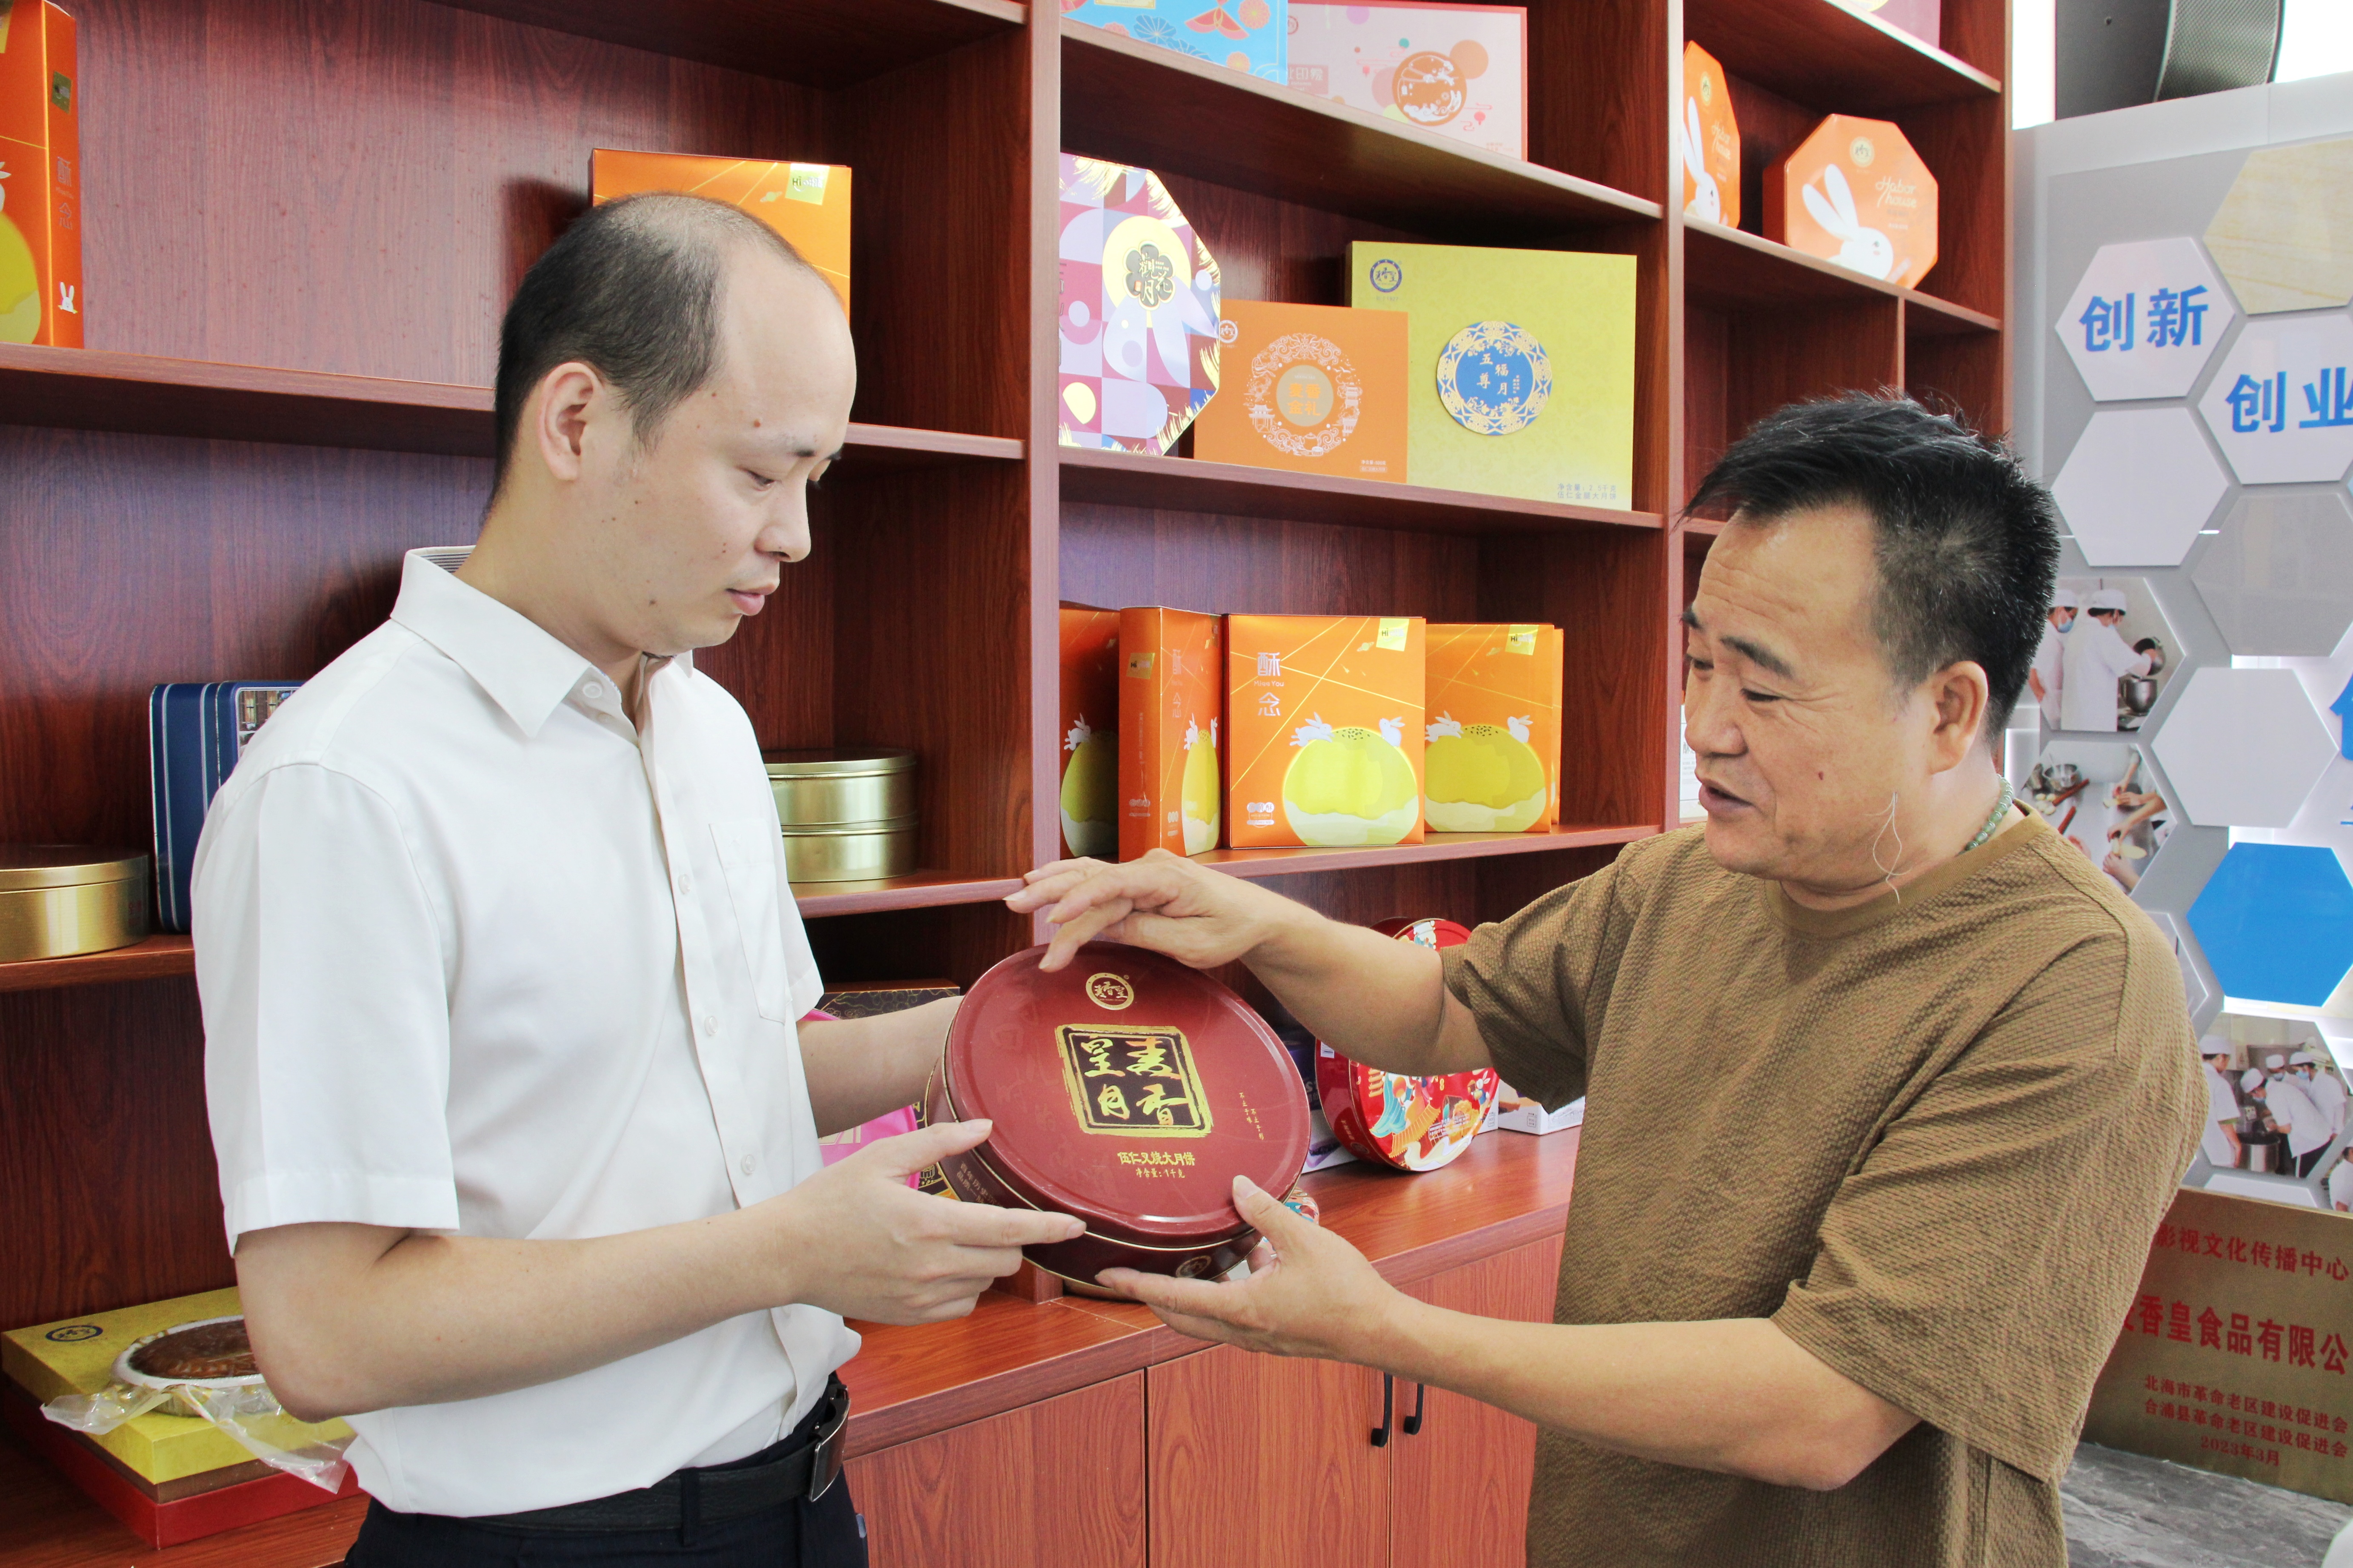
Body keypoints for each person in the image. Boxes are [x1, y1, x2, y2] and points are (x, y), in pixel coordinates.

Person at [1008, 396, 2204, 1568]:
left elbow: (1825, 1404)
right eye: (1696, 662)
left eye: (1762, 686)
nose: (1704, 725)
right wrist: (1261, 924)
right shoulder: (1690, 878)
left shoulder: (2078, 986)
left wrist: (1391, 1331)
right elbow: (1449, 1006)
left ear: (1948, 709)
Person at [194, 195, 1081, 1566]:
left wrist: (1028, 1016)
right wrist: (787, 1251)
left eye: (817, 479)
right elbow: (325, 1331)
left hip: (801, 1498)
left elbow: (748, 1071)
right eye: (761, 472)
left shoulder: (705, 723)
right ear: (575, 422)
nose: (796, 535)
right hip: (546, 1543)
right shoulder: (346, 785)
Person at [2058, 587, 2156, 733]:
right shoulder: (2105, 635)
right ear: (2115, 614)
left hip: (2072, 723)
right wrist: (2149, 655)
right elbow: (2141, 669)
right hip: (2094, 725)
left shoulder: (2077, 634)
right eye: (2121, 617)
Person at [2246, 1067, 2330, 1179]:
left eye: (2252, 1095)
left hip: (2310, 1145)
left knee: (2303, 1183)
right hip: (2321, 1140)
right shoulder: (2280, 1088)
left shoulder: (2273, 1097)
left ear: (2256, 1091)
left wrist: (2273, 1127)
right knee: (2315, 1181)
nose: (2254, 1098)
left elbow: (2286, 1129)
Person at [2027, 587, 2075, 730]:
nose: (2072, 621)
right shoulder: (2045, 636)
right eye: (2072, 616)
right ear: (2060, 611)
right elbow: (2030, 668)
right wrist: (2039, 693)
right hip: (2046, 709)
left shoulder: (2051, 634)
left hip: (2051, 708)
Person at [2199, 1041, 2242, 1172]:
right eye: (2228, 1059)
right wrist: (2237, 1145)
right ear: (2221, 1057)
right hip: (2217, 1153)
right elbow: (2225, 1122)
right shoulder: (2219, 1083)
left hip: (2195, 1152)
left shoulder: (2190, 1078)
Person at [2295, 1049, 2348, 1143]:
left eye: (2297, 1071)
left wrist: (2337, 1131)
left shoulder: (2330, 1082)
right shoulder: (2302, 1083)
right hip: (2316, 1130)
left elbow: (2339, 1108)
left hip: (2331, 1130)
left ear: (2306, 1068)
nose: (2297, 1074)